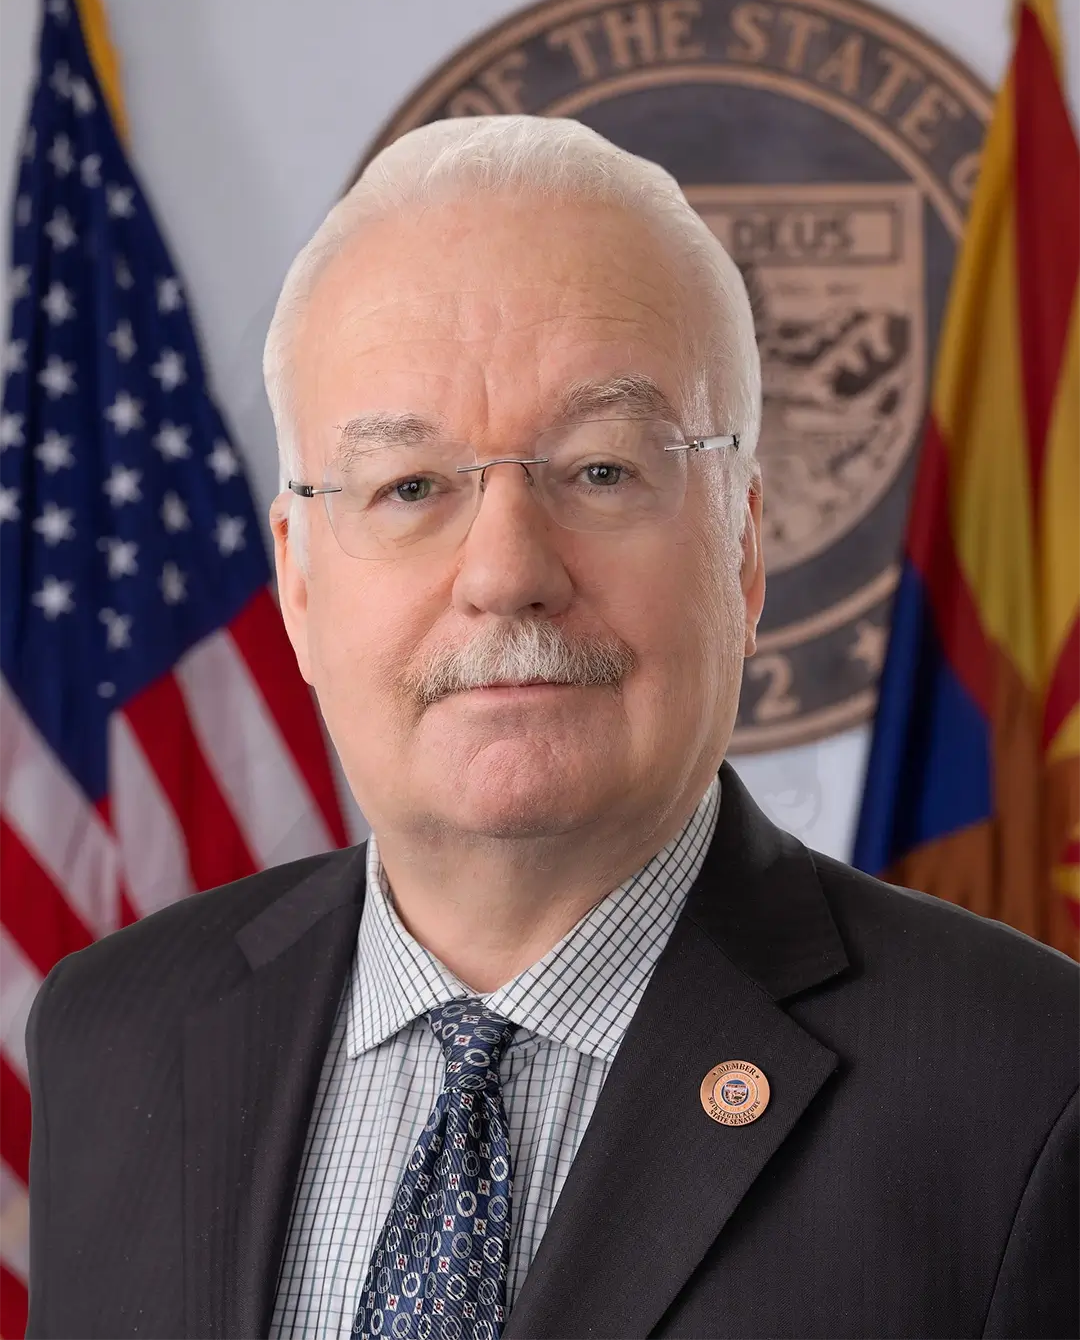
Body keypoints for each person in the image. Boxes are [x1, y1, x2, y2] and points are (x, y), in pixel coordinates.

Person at [24, 114, 1080, 1340]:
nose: (506, 571)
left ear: (741, 550)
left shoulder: (1030, 1091)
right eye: (409, 486)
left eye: (600, 470)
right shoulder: (113, 1035)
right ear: (298, 584)